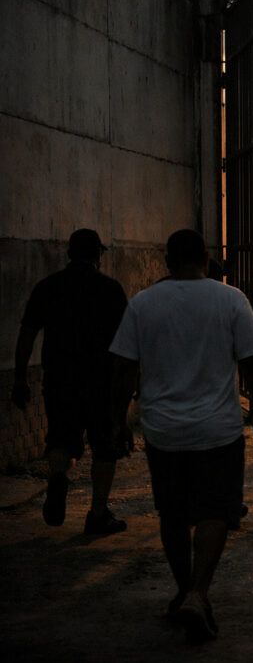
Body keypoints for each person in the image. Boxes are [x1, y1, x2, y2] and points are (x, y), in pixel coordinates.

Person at [109, 229, 253, 641]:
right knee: (215, 512)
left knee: (173, 514)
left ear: (167, 260)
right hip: (218, 429)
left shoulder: (142, 304)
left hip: (163, 430)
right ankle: (199, 593)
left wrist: (117, 422)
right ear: (205, 258)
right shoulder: (231, 299)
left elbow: (124, 369)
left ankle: (184, 589)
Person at [11, 229, 129, 534]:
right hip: (100, 383)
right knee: (104, 447)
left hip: (59, 380)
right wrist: (126, 389)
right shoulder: (110, 289)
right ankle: (98, 513)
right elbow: (125, 347)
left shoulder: (48, 287)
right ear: (98, 256)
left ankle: (58, 476)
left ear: (69, 255)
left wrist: (20, 378)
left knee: (62, 439)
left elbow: (26, 335)